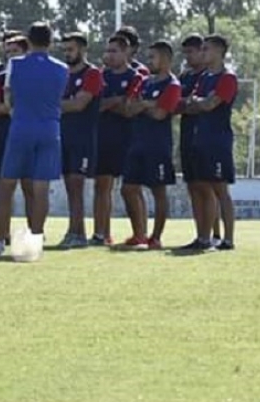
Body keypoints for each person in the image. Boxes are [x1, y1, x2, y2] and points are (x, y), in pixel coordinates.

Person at [0, 22, 68, 256]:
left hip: (21, 126)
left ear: (29, 40)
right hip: (49, 128)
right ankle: (36, 239)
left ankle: (0, 237)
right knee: (41, 187)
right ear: (51, 41)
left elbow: (8, 96)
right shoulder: (62, 68)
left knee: (6, 185)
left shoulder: (15, 64)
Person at [120, 40, 182, 250]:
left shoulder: (172, 85)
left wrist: (144, 105)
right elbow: (128, 108)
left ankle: (155, 237)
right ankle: (139, 234)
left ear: (166, 59)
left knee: (158, 191)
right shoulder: (144, 82)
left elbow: (159, 114)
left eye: (153, 57)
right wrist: (148, 104)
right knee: (128, 188)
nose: (149, 61)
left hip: (158, 145)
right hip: (136, 143)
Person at [184, 34, 238, 251]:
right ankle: (204, 238)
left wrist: (199, 102)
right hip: (200, 140)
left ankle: (228, 239)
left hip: (218, 141)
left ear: (218, 52)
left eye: (206, 49)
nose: (202, 52)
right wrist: (199, 102)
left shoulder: (228, 78)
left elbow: (209, 105)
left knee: (220, 189)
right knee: (200, 187)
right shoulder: (204, 77)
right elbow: (192, 103)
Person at [92, 35, 143, 246]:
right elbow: (96, 105)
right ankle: (101, 234)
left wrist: (115, 103)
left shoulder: (137, 77)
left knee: (131, 188)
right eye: (107, 51)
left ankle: (140, 234)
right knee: (102, 186)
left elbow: (129, 109)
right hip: (103, 136)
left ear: (126, 52)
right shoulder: (101, 76)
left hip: (130, 138)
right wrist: (117, 100)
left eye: (114, 51)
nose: (108, 55)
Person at [58, 33, 103, 248]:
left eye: (71, 49)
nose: (67, 54)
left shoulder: (92, 74)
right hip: (63, 136)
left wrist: (53, 104)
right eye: (65, 49)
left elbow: (79, 104)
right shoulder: (62, 73)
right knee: (69, 185)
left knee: (77, 184)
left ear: (83, 50)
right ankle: (76, 231)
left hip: (83, 137)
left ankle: (78, 232)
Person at [177, 34, 220, 245]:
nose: (188, 57)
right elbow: (175, 103)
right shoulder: (184, 76)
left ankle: (213, 234)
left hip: (206, 136)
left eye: (192, 52)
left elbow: (205, 104)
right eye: (185, 53)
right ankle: (200, 234)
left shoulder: (211, 76)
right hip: (187, 135)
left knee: (207, 186)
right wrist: (189, 103)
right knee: (193, 186)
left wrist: (191, 103)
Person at [0, 32, 29, 206]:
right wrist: (13, 110)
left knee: (30, 183)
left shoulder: (35, 74)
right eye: (7, 51)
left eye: (15, 51)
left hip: (28, 131)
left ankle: (35, 230)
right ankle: (2, 230)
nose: (10, 55)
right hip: (1, 131)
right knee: (1, 181)